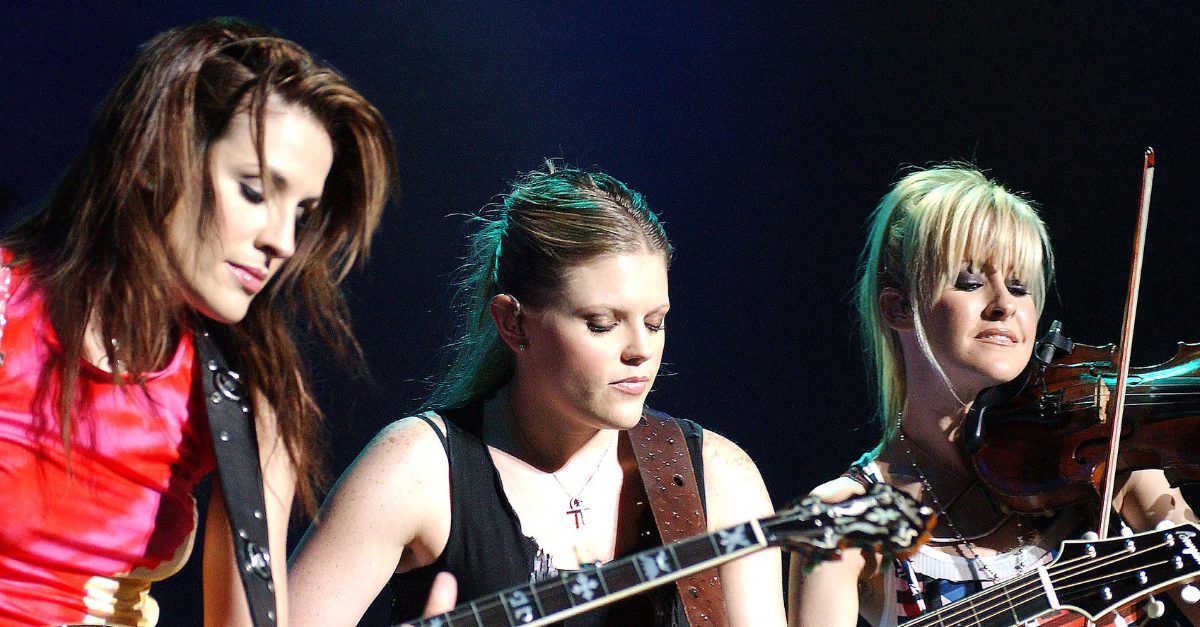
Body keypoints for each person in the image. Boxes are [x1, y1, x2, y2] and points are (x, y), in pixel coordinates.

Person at [0, 18, 395, 627]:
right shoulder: (7, 304)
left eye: (304, 213)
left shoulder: (251, 398)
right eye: (257, 192)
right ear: (160, 157)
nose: (284, 242)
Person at [287, 165, 785, 627]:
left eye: (656, 323)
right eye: (602, 324)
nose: (641, 350)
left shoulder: (718, 480)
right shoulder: (418, 470)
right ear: (513, 322)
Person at [787, 165, 1200, 627]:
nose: (1005, 303)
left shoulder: (1098, 465)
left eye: (1021, 286)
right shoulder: (842, 517)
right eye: (969, 282)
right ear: (898, 307)